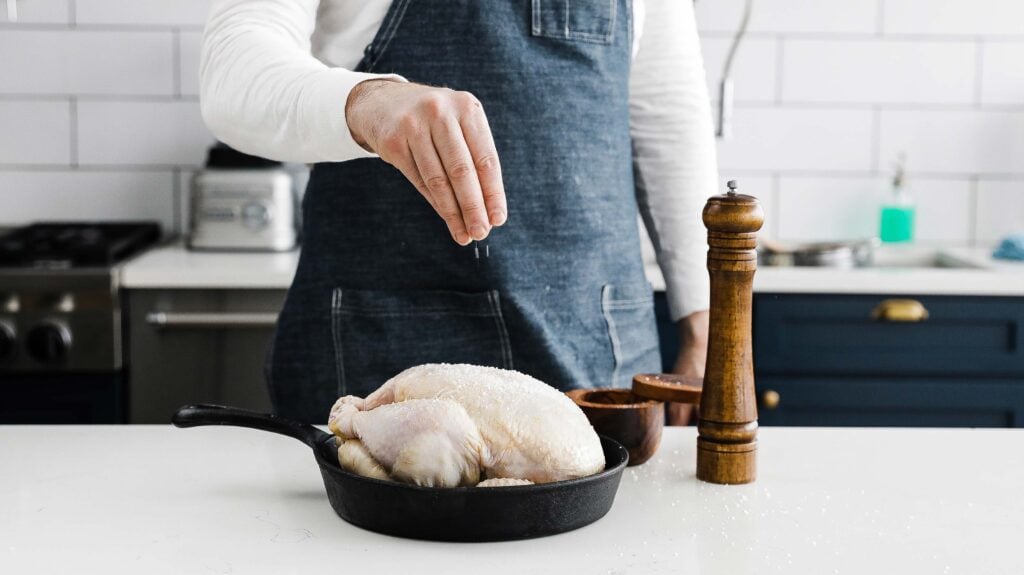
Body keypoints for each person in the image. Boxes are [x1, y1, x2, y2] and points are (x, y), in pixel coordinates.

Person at [200, 0, 718, 424]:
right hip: (380, 367)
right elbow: (233, 62)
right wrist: (366, 101)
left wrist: (707, 328)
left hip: (599, 357)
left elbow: (669, 118)